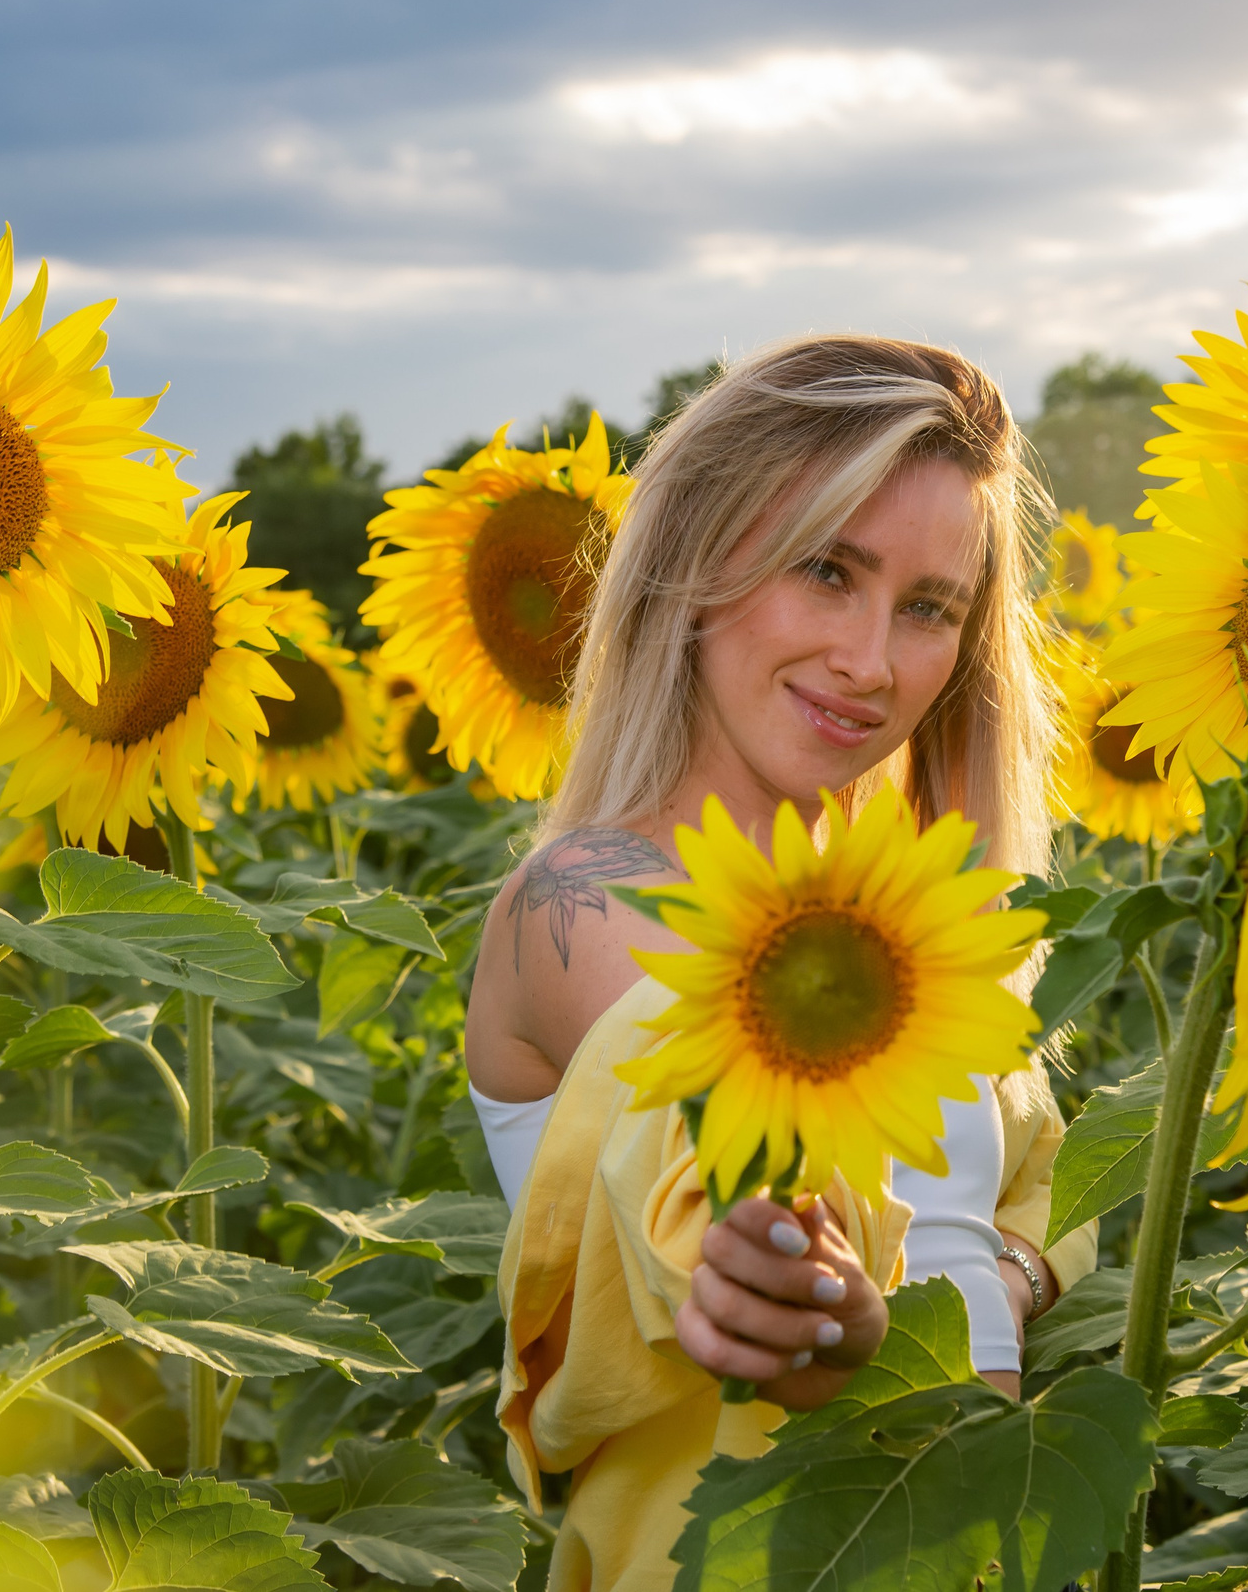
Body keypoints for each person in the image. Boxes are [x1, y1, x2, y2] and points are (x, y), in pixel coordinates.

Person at [462, 334, 1096, 1590]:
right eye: (827, 571)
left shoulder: (886, 907)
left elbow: (1036, 1174)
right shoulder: (588, 900)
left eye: (927, 608)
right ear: (699, 565)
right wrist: (812, 1307)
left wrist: (1012, 1274)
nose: (872, 661)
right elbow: (718, 1169)